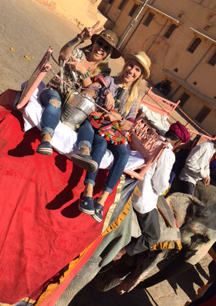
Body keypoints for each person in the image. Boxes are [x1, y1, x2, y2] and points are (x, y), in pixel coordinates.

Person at [71, 51, 151, 223]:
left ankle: (102, 200)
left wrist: (119, 118)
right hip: (98, 124)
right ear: (125, 65)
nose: (132, 71)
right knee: (99, 144)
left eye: (137, 70)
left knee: (123, 154)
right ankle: (88, 191)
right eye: (131, 65)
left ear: (140, 75)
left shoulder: (134, 96)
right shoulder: (109, 80)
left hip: (115, 129)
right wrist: (106, 92)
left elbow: (130, 123)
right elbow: (92, 86)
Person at [36, 22, 121, 155]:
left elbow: (92, 90)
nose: (101, 48)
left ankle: (84, 154)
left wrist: (83, 72)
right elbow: (63, 54)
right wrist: (79, 38)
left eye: (106, 48)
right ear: (94, 42)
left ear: (108, 54)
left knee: (87, 126)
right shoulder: (79, 54)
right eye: (100, 42)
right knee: (55, 103)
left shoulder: (104, 71)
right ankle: (46, 140)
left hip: (75, 106)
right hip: (56, 91)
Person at [113, 122, 190, 260]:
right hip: (142, 197)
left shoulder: (152, 138)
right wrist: (165, 187)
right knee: (153, 236)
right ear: (178, 142)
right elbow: (160, 185)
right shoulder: (168, 153)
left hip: (128, 181)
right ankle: (120, 252)